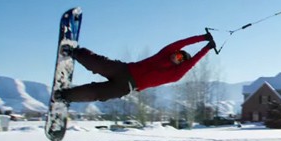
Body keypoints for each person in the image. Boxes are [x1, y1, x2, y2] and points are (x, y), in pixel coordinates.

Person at [55, 33, 216, 103]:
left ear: (181, 64)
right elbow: (182, 43)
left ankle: (65, 96)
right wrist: (202, 38)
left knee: (97, 93)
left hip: (126, 87)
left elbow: (192, 62)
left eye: (180, 58)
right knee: (98, 63)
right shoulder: (165, 54)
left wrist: (207, 48)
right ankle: (73, 52)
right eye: (178, 53)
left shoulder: (175, 75)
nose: (176, 56)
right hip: (124, 70)